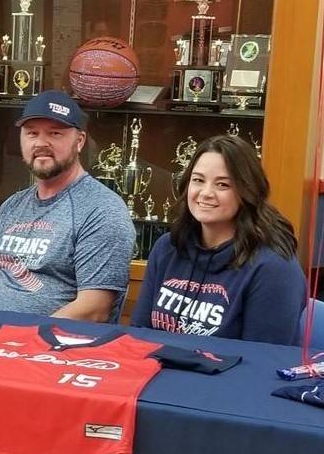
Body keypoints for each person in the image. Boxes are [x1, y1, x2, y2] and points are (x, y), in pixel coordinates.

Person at [0, 90, 135, 322]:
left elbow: (94, 309)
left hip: (51, 350)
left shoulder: (102, 211)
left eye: (55, 133)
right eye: (32, 133)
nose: (41, 143)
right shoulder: (12, 206)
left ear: (79, 141)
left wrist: (20, 343)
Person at [130, 134, 305, 344]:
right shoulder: (168, 247)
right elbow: (138, 336)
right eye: (198, 180)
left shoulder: (274, 268)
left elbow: (262, 363)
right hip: (159, 372)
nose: (205, 193)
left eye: (222, 185)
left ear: (247, 191)